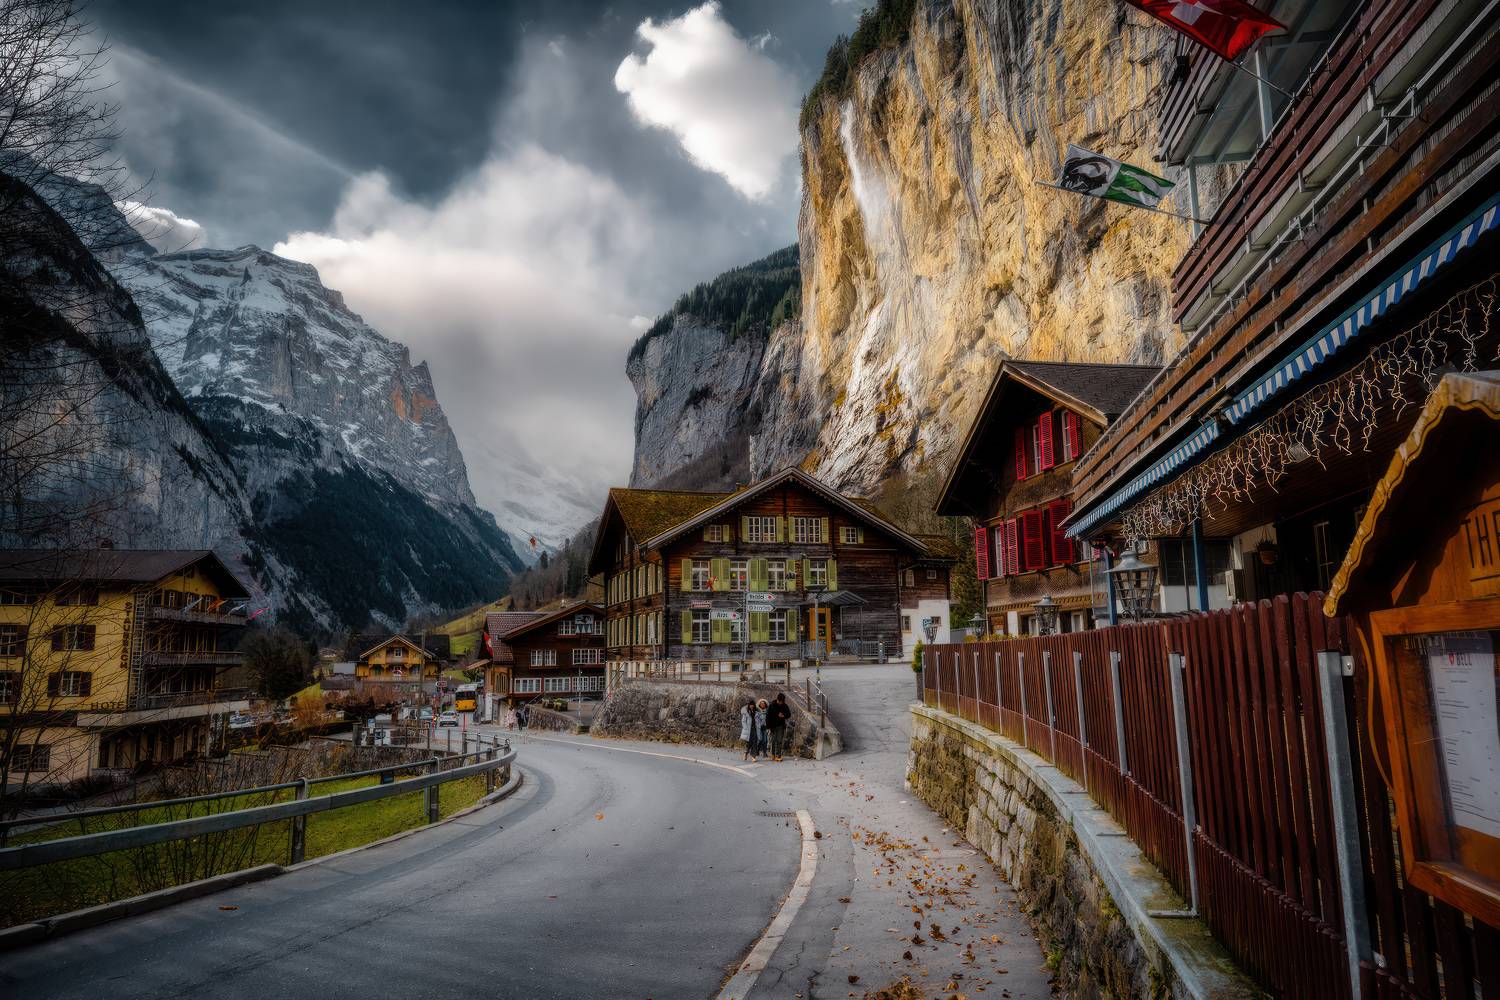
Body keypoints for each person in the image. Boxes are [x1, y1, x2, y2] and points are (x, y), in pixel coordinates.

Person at [767, 693, 792, 762]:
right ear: (777, 699)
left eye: (782, 701)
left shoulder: (784, 706)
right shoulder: (772, 705)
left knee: (779, 741)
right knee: (773, 740)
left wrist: (783, 715)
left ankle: (778, 755)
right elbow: (768, 716)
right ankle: (773, 754)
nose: (781, 703)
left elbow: (789, 714)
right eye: (780, 701)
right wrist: (768, 726)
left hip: (781, 726)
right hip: (773, 726)